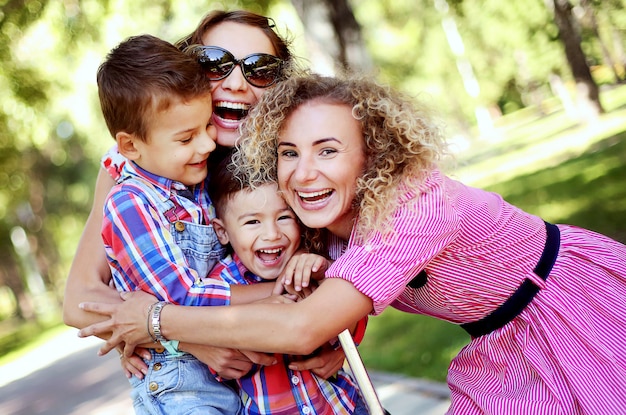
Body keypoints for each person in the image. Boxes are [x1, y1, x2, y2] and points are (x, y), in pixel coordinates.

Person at [78, 73, 626, 415]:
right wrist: (152, 337)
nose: (304, 172)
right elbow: (274, 296)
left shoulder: (416, 203)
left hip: (574, 305)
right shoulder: (320, 217)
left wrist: (155, 322)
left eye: (328, 150)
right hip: (498, 341)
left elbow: (302, 323)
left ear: (372, 154)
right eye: (289, 152)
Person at [63, 9, 346, 383]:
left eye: (259, 68)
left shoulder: (293, 154)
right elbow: (79, 302)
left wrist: (343, 337)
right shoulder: (138, 170)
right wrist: (191, 340)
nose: (236, 83)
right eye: (215, 63)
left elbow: (351, 257)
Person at [204, 151, 367, 414]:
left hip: (341, 406)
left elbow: (352, 313)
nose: (271, 234)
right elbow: (217, 354)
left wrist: (325, 275)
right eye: (252, 222)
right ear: (222, 231)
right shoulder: (219, 286)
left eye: (283, 217)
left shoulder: (310, 264)